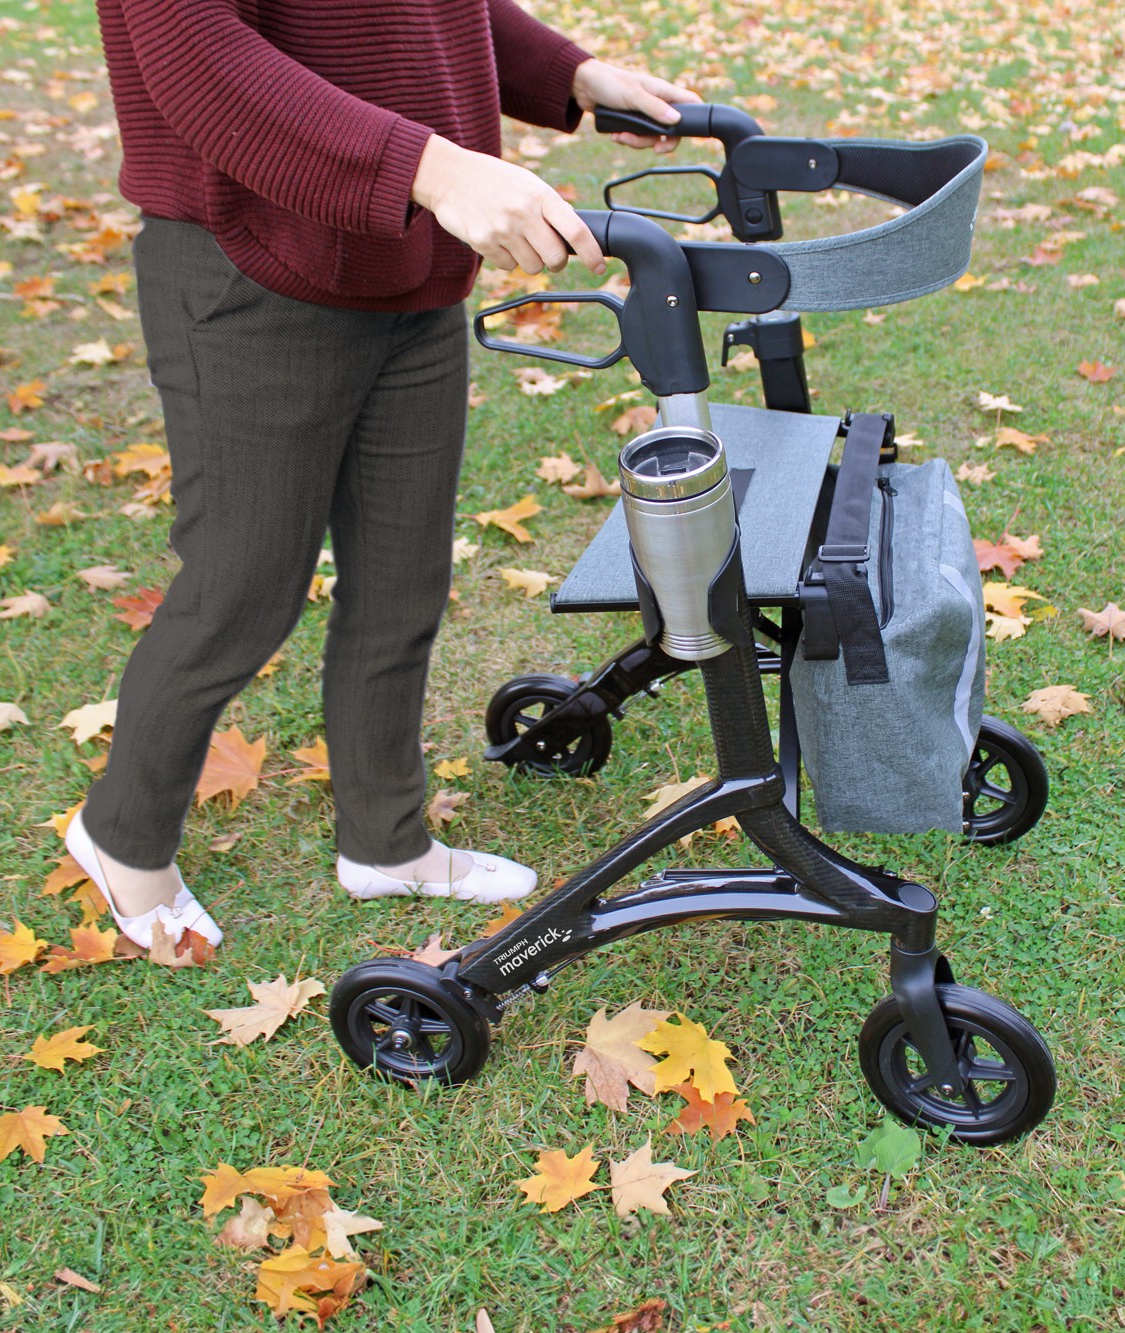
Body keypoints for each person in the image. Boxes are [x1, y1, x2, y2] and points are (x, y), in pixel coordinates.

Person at [68, 0, 700, 950]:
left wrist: (568, 74)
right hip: (251, 271)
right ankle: (121, 835)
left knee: (403, 577)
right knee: (240, 590)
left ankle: (386, 840)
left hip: (408, 260)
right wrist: (431, 167)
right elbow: (198, 59)